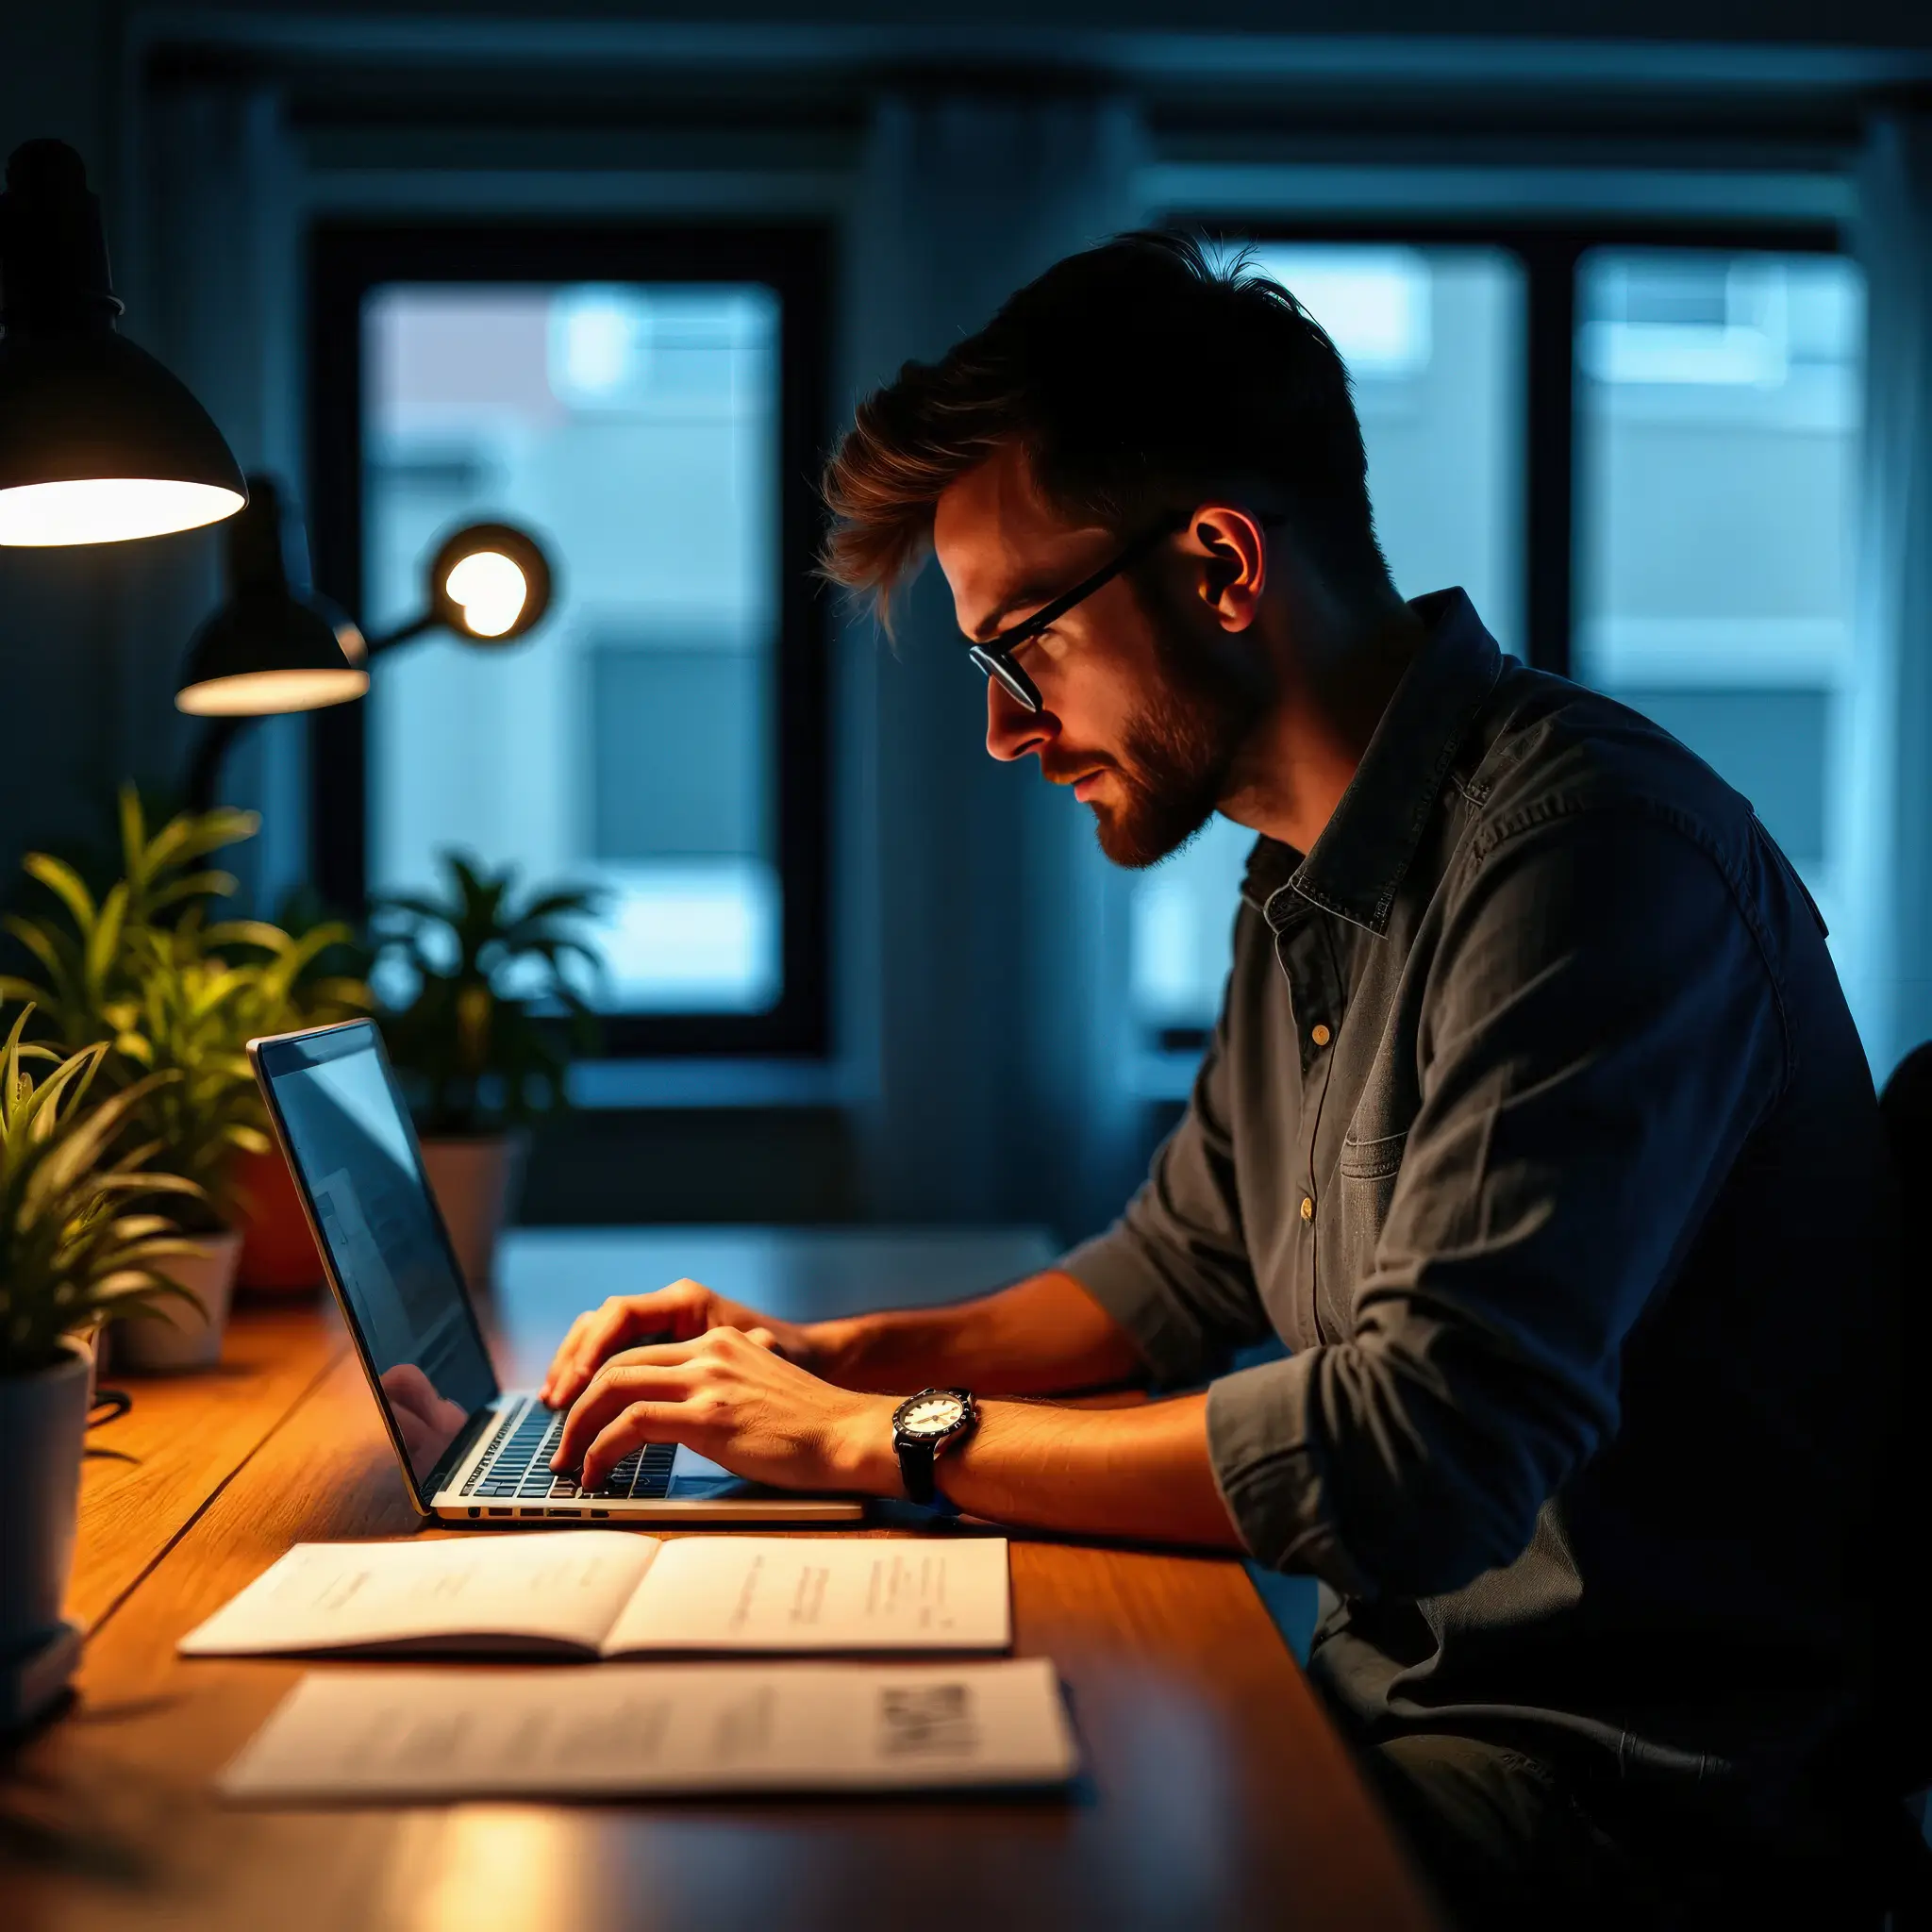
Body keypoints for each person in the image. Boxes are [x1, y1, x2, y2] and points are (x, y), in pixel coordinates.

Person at [543, 234, 1897, 1924]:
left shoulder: (1587, 862)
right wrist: (812, 1364)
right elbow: (1172, 1275)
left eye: (1016, 647)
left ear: (1221, 563)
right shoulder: (1301, 879)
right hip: (1395, 1732)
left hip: (1619, 1821)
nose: (1005, 731)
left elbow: (1422, 1459)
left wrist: (894, 1436)